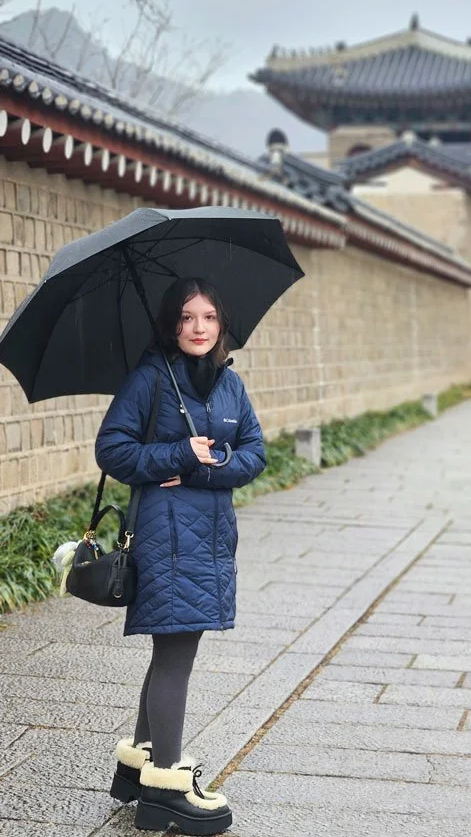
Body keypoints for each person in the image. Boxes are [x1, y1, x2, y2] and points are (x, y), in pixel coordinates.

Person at [94, 276, 266, 835]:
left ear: (222, 324)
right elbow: (112, 449)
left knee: (172, 646)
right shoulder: (150, 377)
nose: (198, 327)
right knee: (175, 651)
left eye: (209, 317)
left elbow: (256, 454)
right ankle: (167, 786)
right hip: (165, 534)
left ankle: (138, 769)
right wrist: (174, 453)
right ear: (172, 323)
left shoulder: (230, 384)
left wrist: (203, 465)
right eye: (188, 317)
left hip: (211, 536)